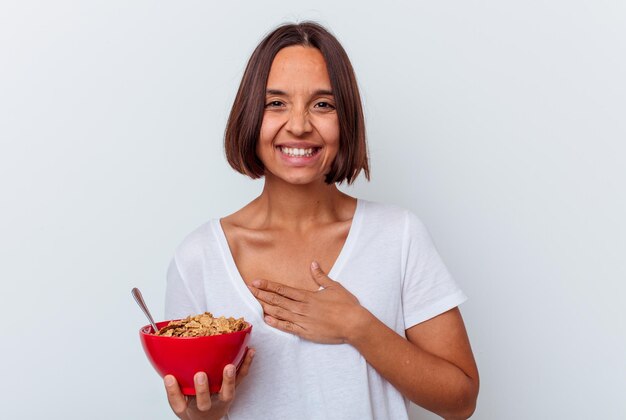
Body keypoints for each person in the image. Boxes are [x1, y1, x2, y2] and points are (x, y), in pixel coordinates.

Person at [162, 21, 479, 420]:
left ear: (345, 119)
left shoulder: (399, 235)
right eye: (275, 103)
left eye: (322, 104)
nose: (298, 125)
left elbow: (461, 399)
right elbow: (197, 408)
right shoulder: (199, 257)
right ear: (249, 116)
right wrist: (203, 412)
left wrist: (359, 327)